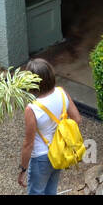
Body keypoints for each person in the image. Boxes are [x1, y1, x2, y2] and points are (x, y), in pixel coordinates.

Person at [17, 58, 81, 195]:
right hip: (59, 151)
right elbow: (77, 119)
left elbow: (28, 144)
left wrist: (23, 169)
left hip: (41, 157)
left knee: (36, 191)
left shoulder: (32, 108)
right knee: (51, 191)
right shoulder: (62, 92)